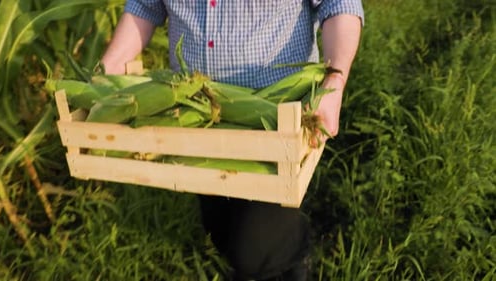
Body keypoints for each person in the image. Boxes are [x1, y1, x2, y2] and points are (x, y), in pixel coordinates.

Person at [101, 1, 363, 280]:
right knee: (219, 224)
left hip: (274, 116)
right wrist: (112, 65)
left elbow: (340, 4)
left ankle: (291, 260)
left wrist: (334, 84)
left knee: (255, 250)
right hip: (196, 114)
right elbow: (146, 6)